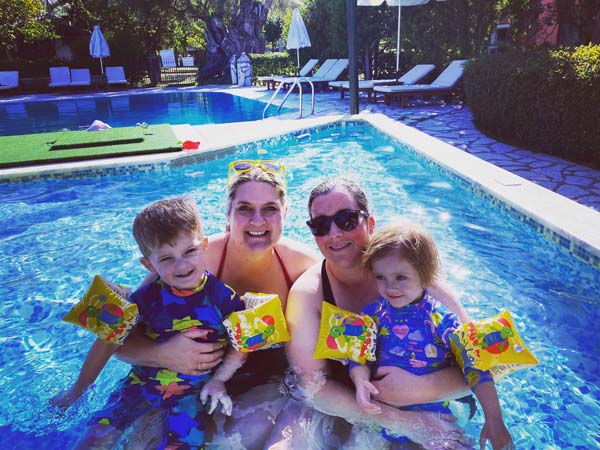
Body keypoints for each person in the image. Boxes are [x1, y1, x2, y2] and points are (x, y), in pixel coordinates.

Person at [115, 160, 321, 448]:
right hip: (183, 380)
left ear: (285, 213)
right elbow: (118, 339)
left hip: (264, 379)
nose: (257, 221)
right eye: (245, 209)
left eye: (270, 209)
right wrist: (159, 355)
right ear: (227, 214)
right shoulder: (195, 260)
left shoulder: (302, 267)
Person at [285, 177, 477, 450]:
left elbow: (479, 360)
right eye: (321, 225)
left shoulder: (409, 268)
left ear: (370, 223)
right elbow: (311, 386)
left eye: (347, 219)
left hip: (437, 398)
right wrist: (402, 421)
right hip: (360, 410)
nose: (334, 233)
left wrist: (419, 389)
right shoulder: (309, 295)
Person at [52, 197, 248, 449]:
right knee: (93, 440)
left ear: (205, 246)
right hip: (139, 386)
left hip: (190, 395)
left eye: (190, 251)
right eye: (166, 258)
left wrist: (219, 380)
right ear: (148, 264)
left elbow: (243, 343)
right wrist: (76, 391)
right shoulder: (144, 300)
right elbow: (109, 341)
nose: (182, 264)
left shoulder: (223, 298)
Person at [350, 220, 514, 450]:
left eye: (400, 277)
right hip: (385, 416)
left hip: (437, 420)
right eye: (380, 277)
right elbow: (357, 354)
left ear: (425, 275)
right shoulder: (373, 314)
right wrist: (360, 382)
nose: (389, 288)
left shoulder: (441, 319)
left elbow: (475, 364)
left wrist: (494, 419)